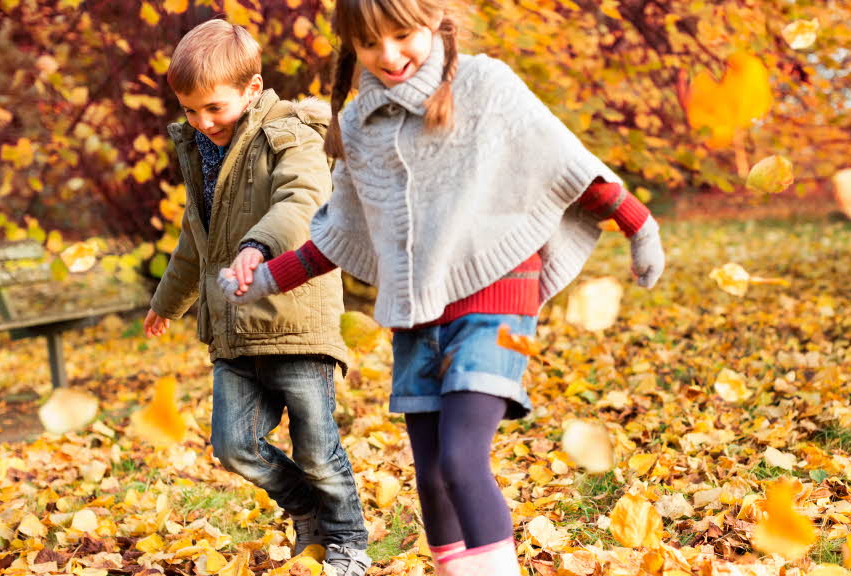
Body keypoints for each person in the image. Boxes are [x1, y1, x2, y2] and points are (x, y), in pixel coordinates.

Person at [217, 1, 665, 573]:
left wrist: (638, 224)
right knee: (429, 475)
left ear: (434, 22)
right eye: (371, 43)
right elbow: (340, 233)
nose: (390, 55)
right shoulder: (356, 125)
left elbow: (565, 163)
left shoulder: (485, 85)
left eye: (403, 36)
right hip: (418, 314)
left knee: (459, 458)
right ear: (353, 44)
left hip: (502, 303)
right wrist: (264, 281)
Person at [142, 18, 370, 576]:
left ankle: (347, 541)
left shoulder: (290, 133)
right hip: (235, 331)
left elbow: (302, 198)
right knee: (233, 445)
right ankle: (308, 513)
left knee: (317, 448)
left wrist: (257, 246)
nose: (202, 122)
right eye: (190, 111)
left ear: (251, 87)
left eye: (214, 108)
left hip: (296, 322)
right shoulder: (201, 152)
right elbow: (194, 242)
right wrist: (165, 304)